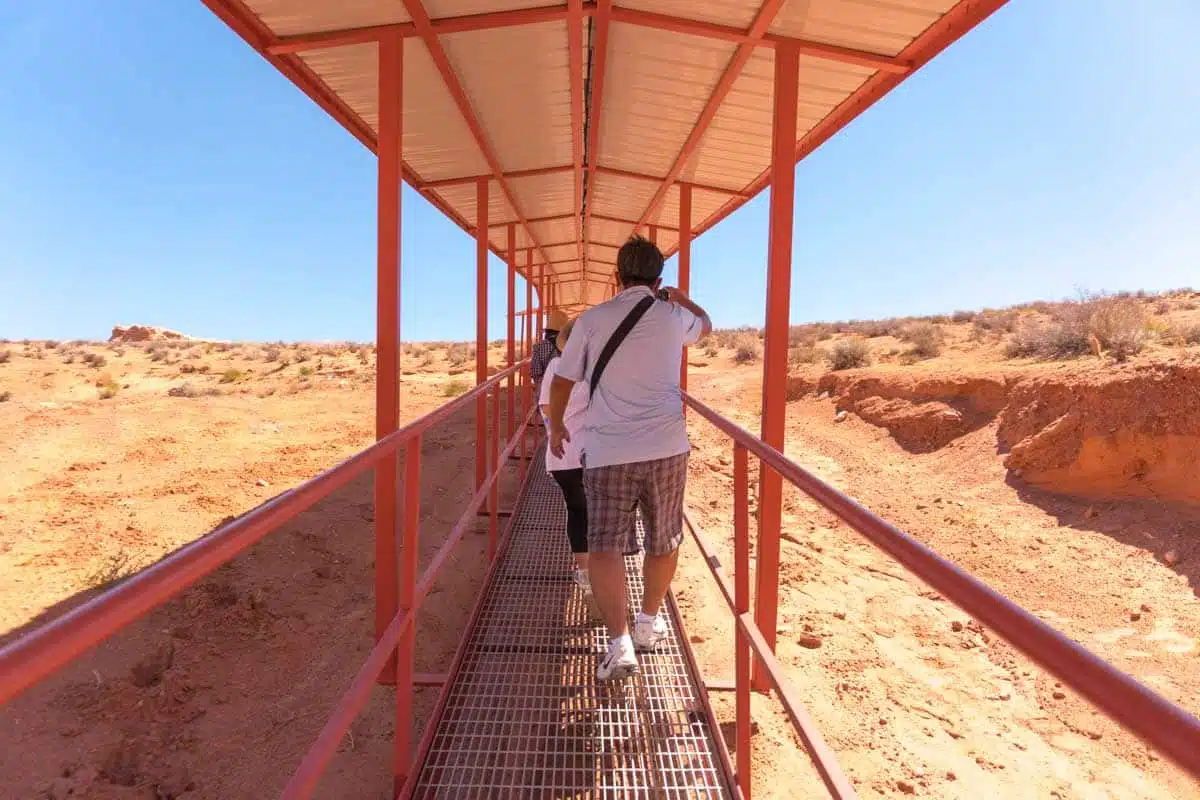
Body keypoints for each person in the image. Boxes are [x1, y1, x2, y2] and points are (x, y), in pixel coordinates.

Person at [547, 235, 712, 680]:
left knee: (605, 547)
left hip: (607, 451)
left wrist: (558, 424)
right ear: (658, 279)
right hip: (666, 448)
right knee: (665, 539)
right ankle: (647, 622)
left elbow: (563, 380)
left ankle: (618, 645)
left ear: (618, 277)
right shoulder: (674, 315)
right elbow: (708, 327)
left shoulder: (592, 320)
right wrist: (682, 299)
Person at [538, 318, 591, 594]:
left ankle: (584, 573)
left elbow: (546, 407)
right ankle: (605, 571)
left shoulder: (556, 367)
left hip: (563, 453)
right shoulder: (598, 369)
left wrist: (559, 427)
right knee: (601, 513)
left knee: (576, 509)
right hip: (597, 454)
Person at [531, 309, 568, 396]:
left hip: (545, 392)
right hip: (565, 392)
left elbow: (536, 374)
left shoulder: (538, 347)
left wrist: (540, 394)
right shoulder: (570, 345)